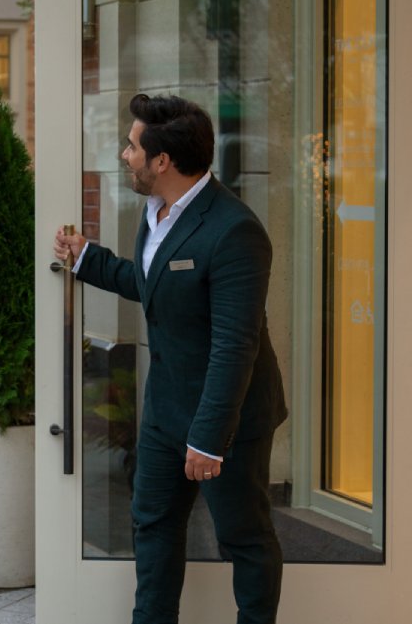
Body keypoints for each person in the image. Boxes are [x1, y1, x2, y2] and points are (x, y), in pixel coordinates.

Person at [54, 94, 286, 624]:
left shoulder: (235, 232)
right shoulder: (156, 210)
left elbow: (235, 345)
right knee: (152, 525)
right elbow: (154, 284)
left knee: (243, 537)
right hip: (165, 409)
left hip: (228, 420)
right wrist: (87, 257)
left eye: (132, 147)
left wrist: (208, 438)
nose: (124, 155)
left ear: (163, 161)